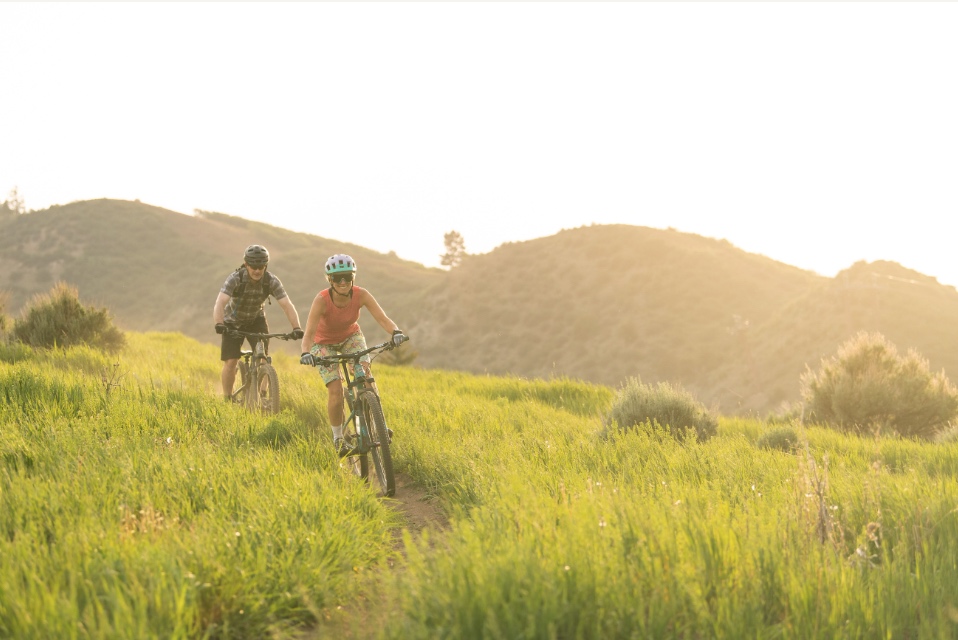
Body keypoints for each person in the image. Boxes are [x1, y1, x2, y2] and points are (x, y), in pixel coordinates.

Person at [299, 253, 408, 455]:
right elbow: (309, 333)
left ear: (353, 278)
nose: (343, 282)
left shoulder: (361, 295)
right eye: (338, 278)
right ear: (329, 280)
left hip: (351, 336)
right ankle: (339, 438)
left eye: (347, 277)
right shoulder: (322, 300)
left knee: (366, 378)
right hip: (324, 343)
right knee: (336, 389)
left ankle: (378, 426)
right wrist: (306, 352)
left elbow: (383, 318)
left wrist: (396, 332)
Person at [213, 244, 304, 401]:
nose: (256, 271)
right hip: (232, 322)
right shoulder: (236, 278)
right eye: (253, 266)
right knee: (231, 361)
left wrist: (296, 327)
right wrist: (219, 324)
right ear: (246, 264)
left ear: (265, 266)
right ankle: (228, 398)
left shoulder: (271, 281)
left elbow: (287, 305)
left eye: (260, 267)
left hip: (256, 320)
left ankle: (263, 396)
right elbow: (220, 302)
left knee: (263, 357)